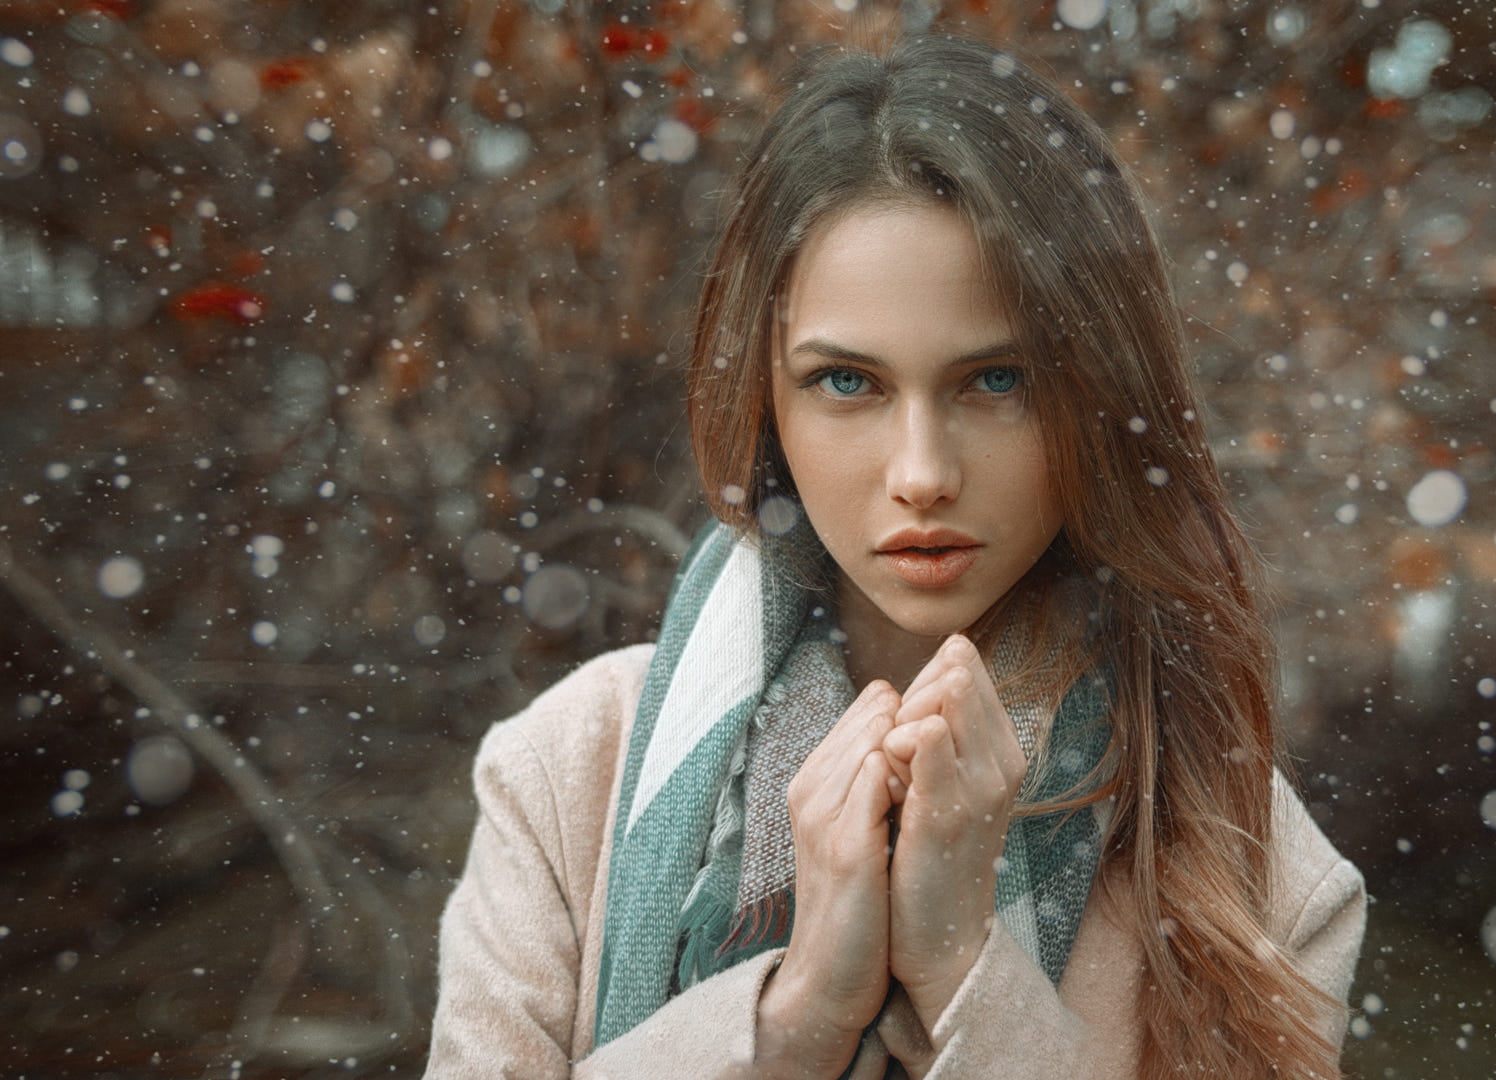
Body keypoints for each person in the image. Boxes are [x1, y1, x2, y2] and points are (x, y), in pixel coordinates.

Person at [426, 31, 1364, 1080]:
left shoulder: (1254, 865)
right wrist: (795, 1020)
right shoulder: (564, 775)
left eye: (997, 381)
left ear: (1100, 399)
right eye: (847, 383)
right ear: (766, 406)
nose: (922, 473)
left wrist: (964, 963)